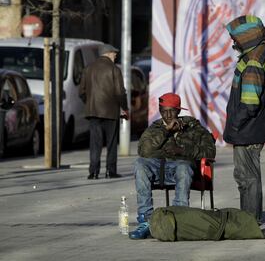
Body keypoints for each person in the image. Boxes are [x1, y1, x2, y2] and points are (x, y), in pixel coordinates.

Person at [129, 92, 216, 240]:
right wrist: (166, 131)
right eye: (164, 111)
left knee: (183, 167)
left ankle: (179, 218)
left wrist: (182, 150)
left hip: (184, 171)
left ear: (179, 111)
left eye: (172, 111)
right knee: (140, 163)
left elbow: (210, 151)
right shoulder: (156, 127)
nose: (168, 115)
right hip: (159, 171)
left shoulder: (192, 126)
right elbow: (144, 150)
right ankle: (146, 221)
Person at [223, 15, 265, 223]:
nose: (233, 41)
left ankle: (250, 221)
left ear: (246, 36)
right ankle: (249, 219)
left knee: (247, 177)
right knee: (248, 177)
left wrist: (235, 125)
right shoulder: (260, 52)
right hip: (251, 128)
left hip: (248, 130)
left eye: (235, 37)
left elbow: (250, 103)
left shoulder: (253, 60)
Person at [79, 44, 129, 180]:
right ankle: (110, 171)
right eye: (114, 53)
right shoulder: (114, 69)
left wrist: (89, 102)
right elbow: (120, 92)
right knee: (111, 142)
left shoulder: (88, 69)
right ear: (107, 53)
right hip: (111, 111)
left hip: (93, 111)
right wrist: (124, 108)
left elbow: (81, 91)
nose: (115, 56)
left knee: (95, 143)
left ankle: (93, 172)